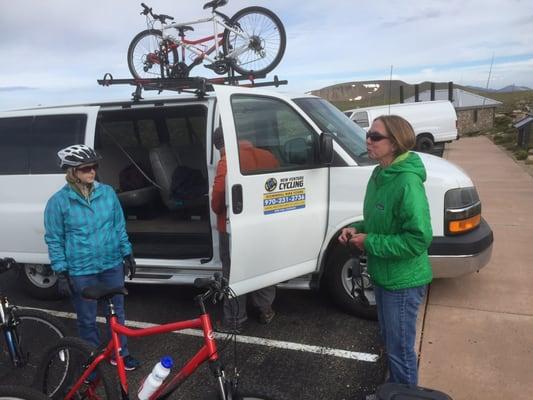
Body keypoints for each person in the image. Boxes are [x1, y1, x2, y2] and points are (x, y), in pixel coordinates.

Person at [338, 115, 433, 387]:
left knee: (400, 350)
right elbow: (380, 220)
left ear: (395, 142)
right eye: (368, 134)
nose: (368, 140)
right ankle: (395, 392)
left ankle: (405, 395)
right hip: (384, 275)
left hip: (402, 282)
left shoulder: (407, 182)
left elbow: (417, 239)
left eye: (375, 136)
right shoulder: (380, 173)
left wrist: (369, 242)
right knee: (391, 342)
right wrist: (357, 228)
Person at [44, 144, 140, 371]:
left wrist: (127, 253)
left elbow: (119, 226)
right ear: (72, 172)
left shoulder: (107, 193)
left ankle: (121, 354)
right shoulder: (58, 202)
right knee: (86, 320)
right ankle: (93, 358)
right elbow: (54, 239)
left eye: (94, 167)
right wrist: (61, 271)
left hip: (111, 264)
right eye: (86, 168)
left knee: (116, 314)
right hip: (81, 270)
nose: (92, 172)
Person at [211, 127, 279, 331]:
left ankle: (234, 320)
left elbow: (218, 199)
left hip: (234, 229)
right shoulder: (268, 156)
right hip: (264, 225)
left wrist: (216, 208)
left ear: (220, 145)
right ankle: (265, 309)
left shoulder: (227, 161)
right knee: (262, 267)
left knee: (233, 273)